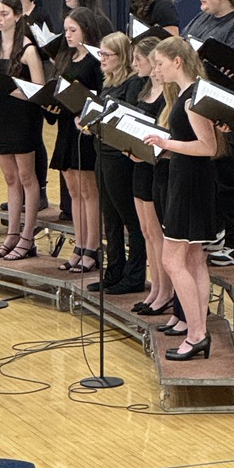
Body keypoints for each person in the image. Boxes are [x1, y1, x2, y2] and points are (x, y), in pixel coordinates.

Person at [144, 37, 225, 361]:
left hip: (190, 182)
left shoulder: (193, 98)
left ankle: (196, 333)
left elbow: (208, 147)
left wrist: (168, 143)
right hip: (190, 180)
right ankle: (197, 330)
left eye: (160, 63)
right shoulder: (191, 94)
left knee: (172, 260)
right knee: (193, 259)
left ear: (177, 61)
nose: (156, 70)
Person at [183, 0, 234, 269]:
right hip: (202, 106)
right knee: (211, 177)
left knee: (229, 178)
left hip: (225, 109)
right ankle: (217, 233)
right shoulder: (202, 19)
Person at [0, 0, 45, 261]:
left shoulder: (28, 50)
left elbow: (39, 90)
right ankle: (12, 234)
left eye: (5, 14)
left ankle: (28, 237)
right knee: (10, 179)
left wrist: (9, 89)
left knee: (27, 177)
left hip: (22, 117)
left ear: (18, 16)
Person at [84, 31, 147, 295]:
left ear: (122, 57)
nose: (102, 59)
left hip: (120, 159)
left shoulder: (132, 84)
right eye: (100, 53)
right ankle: (113, 271)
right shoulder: (108, 82)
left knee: (128, 219)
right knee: (110, 218)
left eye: (107, 55)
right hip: (102, 154)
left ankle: (134, 276)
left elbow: (128, 119)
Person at [49, 7, 103, 273]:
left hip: (84, 129)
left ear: (86, 31)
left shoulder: (94, 62)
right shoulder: (66, 57)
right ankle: (79, 245)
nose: (68, 35)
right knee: (73, 192)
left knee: (89, 192)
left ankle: (92, 247)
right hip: (66, 127)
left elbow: (100, 96)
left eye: (73, 30)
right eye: (66, 30)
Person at [127, 36, 171, 315]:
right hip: (138, 165)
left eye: (144, 61)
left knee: (157, 235)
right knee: (146, 233)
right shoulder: (143, 89)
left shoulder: (168, 94)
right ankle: (155, 287)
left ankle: (165, 290)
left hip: (156, 168)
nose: (147, 68)